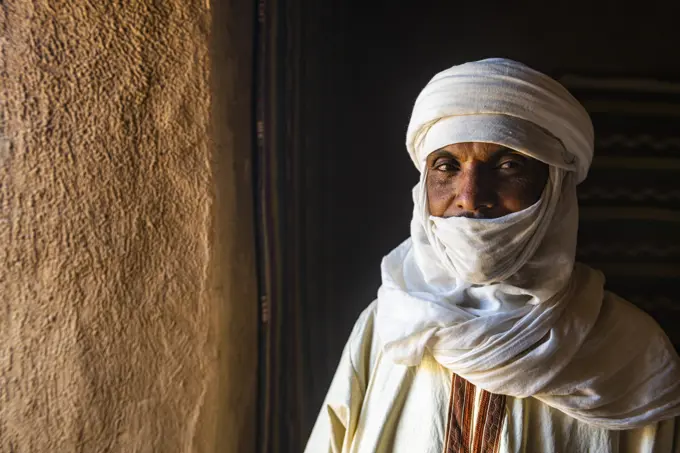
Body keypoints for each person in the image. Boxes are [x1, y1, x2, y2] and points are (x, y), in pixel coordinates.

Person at [304, 58, 680, 453]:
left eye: (508, 165)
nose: (470, 197)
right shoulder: (388, 326)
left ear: (555, 191)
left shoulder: (633, 353)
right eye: (447, 166)